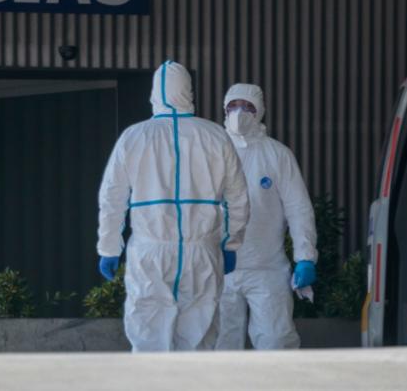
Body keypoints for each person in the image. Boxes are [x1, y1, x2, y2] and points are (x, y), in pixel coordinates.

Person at [96, 60, 250, 352]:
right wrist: (231, 243)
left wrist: (109, 247)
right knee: (200, 336)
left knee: (147, 335)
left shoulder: (134, 137)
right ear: (189, 91)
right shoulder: (215, 135)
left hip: (150, 252)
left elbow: (112, 199)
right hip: (202, 251)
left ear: (154, 93)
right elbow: (238, 198)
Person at [215, 83, 317, 350]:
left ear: (259, 111)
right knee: (219, 347)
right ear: (224, 110)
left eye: (247, 106)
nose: (239, 112)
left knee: (275, 342)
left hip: (267, 268)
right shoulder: (212, 152)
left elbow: (298, 208)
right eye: (233, 106)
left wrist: (305, 257)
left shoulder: (277, 155)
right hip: (219, 268)